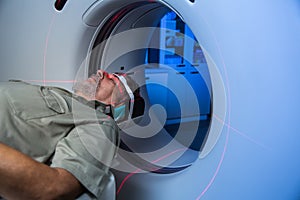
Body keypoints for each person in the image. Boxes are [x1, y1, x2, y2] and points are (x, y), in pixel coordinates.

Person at [0, 70, 145, 200]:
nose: (101, 72)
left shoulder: (101, 123)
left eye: (112, 80)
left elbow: (55, 189)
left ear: (118, 105)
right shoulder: (65, 99)